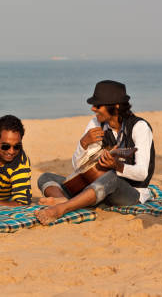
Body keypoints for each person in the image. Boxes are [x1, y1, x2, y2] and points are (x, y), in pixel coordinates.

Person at [36, 80, 155, 225]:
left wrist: (117, 167)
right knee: (45, 177)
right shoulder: (96, 124)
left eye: (98, 105)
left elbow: (142, 173)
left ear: (116, 106)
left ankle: (62, 208)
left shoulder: (139, 127)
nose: (93, 109)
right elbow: (79, 168)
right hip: (95, 186)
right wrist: (83, 143)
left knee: (111, 177)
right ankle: (69, 200)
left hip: (131, 193)